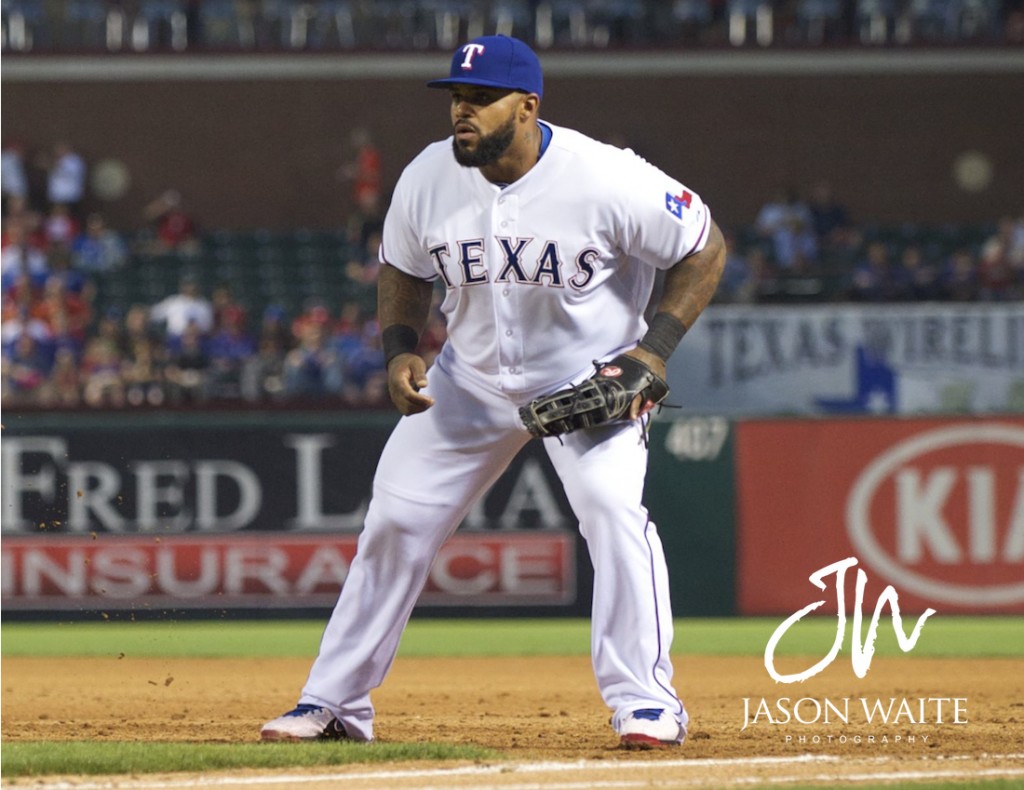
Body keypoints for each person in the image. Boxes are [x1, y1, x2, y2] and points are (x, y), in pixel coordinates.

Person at [261, 35, 725, 750]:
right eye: (456, 97)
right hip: (468, 384)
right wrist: (399, 350)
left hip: (589, 383)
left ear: (528, 105)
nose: (462, 112)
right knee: (392, 524)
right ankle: (334, 703)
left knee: (610, 510)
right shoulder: (427, 175)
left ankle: (647, 703)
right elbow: (402, 267)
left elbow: (703, 244)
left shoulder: (606, 177)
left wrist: (652, 351)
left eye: (480, 99)